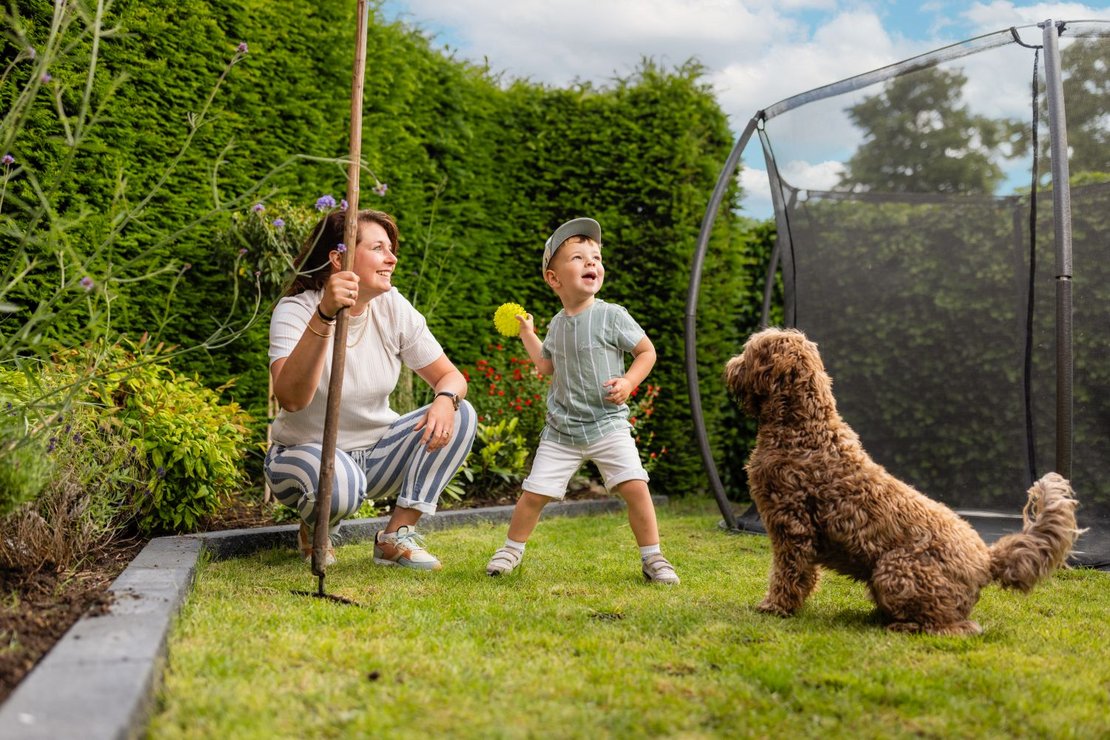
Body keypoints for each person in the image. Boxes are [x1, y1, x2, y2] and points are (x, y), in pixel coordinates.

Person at [265, 208, 476, 570]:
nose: (392, 258)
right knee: (339, 484)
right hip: (301, 455)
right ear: (338, 258)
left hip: (377, 455)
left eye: (390, 249)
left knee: (461, 413)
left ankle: (395, 537)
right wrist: (326, 315)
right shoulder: (295, 311)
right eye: (379, 248)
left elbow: (452, 377)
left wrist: (444, 399)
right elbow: (292, 398)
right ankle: (315, 528)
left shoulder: (391, 306)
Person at [485, 217, 679, 584]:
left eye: (595, 256)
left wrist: (629, 381)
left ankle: (653, 558)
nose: (591, 262)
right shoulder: (557, 324)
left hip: (608, 424)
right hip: (562, 429)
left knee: (636, 486)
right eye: (578, 257)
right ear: (554, 279)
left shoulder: (611, 315)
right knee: (533, 494)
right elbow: (545, 365)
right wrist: (527, 333)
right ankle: (511, 550)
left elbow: (647, 352)